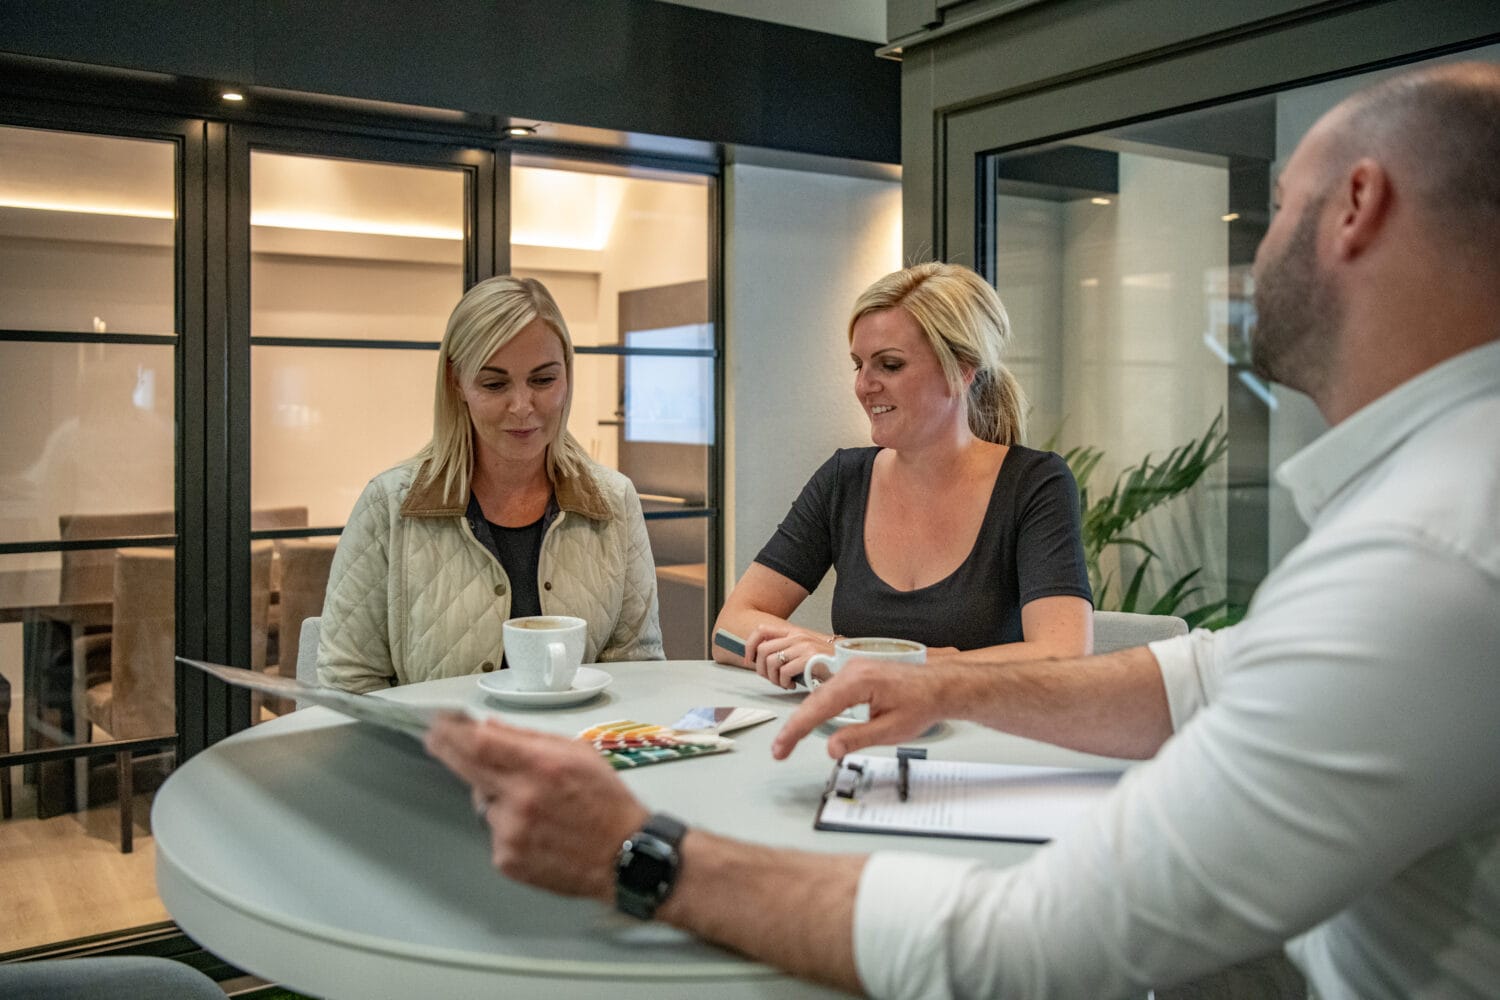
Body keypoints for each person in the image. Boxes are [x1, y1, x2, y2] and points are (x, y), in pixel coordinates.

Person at [424, 62, 1500, 998]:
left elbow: (1037, 940)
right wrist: (924, 681)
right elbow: (1205, 678)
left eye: (1278, 204)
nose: (1258, 243)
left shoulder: (1430, 550)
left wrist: (638, 850)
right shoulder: (1423, 505)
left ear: (1358, 203)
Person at [713, 263, 1093, 689]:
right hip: (859, 739)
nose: (863, 385)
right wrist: (848, 657)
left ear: (962, 369)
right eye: (858, 365)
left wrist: (861, 661)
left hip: (983, 746)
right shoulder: (845, 479)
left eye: (889, 365)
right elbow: (731, 629)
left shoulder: (1034, 483)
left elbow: (1063, 655)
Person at [319, 275, 662, 692]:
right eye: (494, 383)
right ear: (455, 382)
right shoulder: (389, 506)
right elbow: (347, 685)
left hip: (576, 754)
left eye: (543, 380)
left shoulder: (614, 501)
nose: (522, 407)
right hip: (427, 758)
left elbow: (639, 673)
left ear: (567, 376)